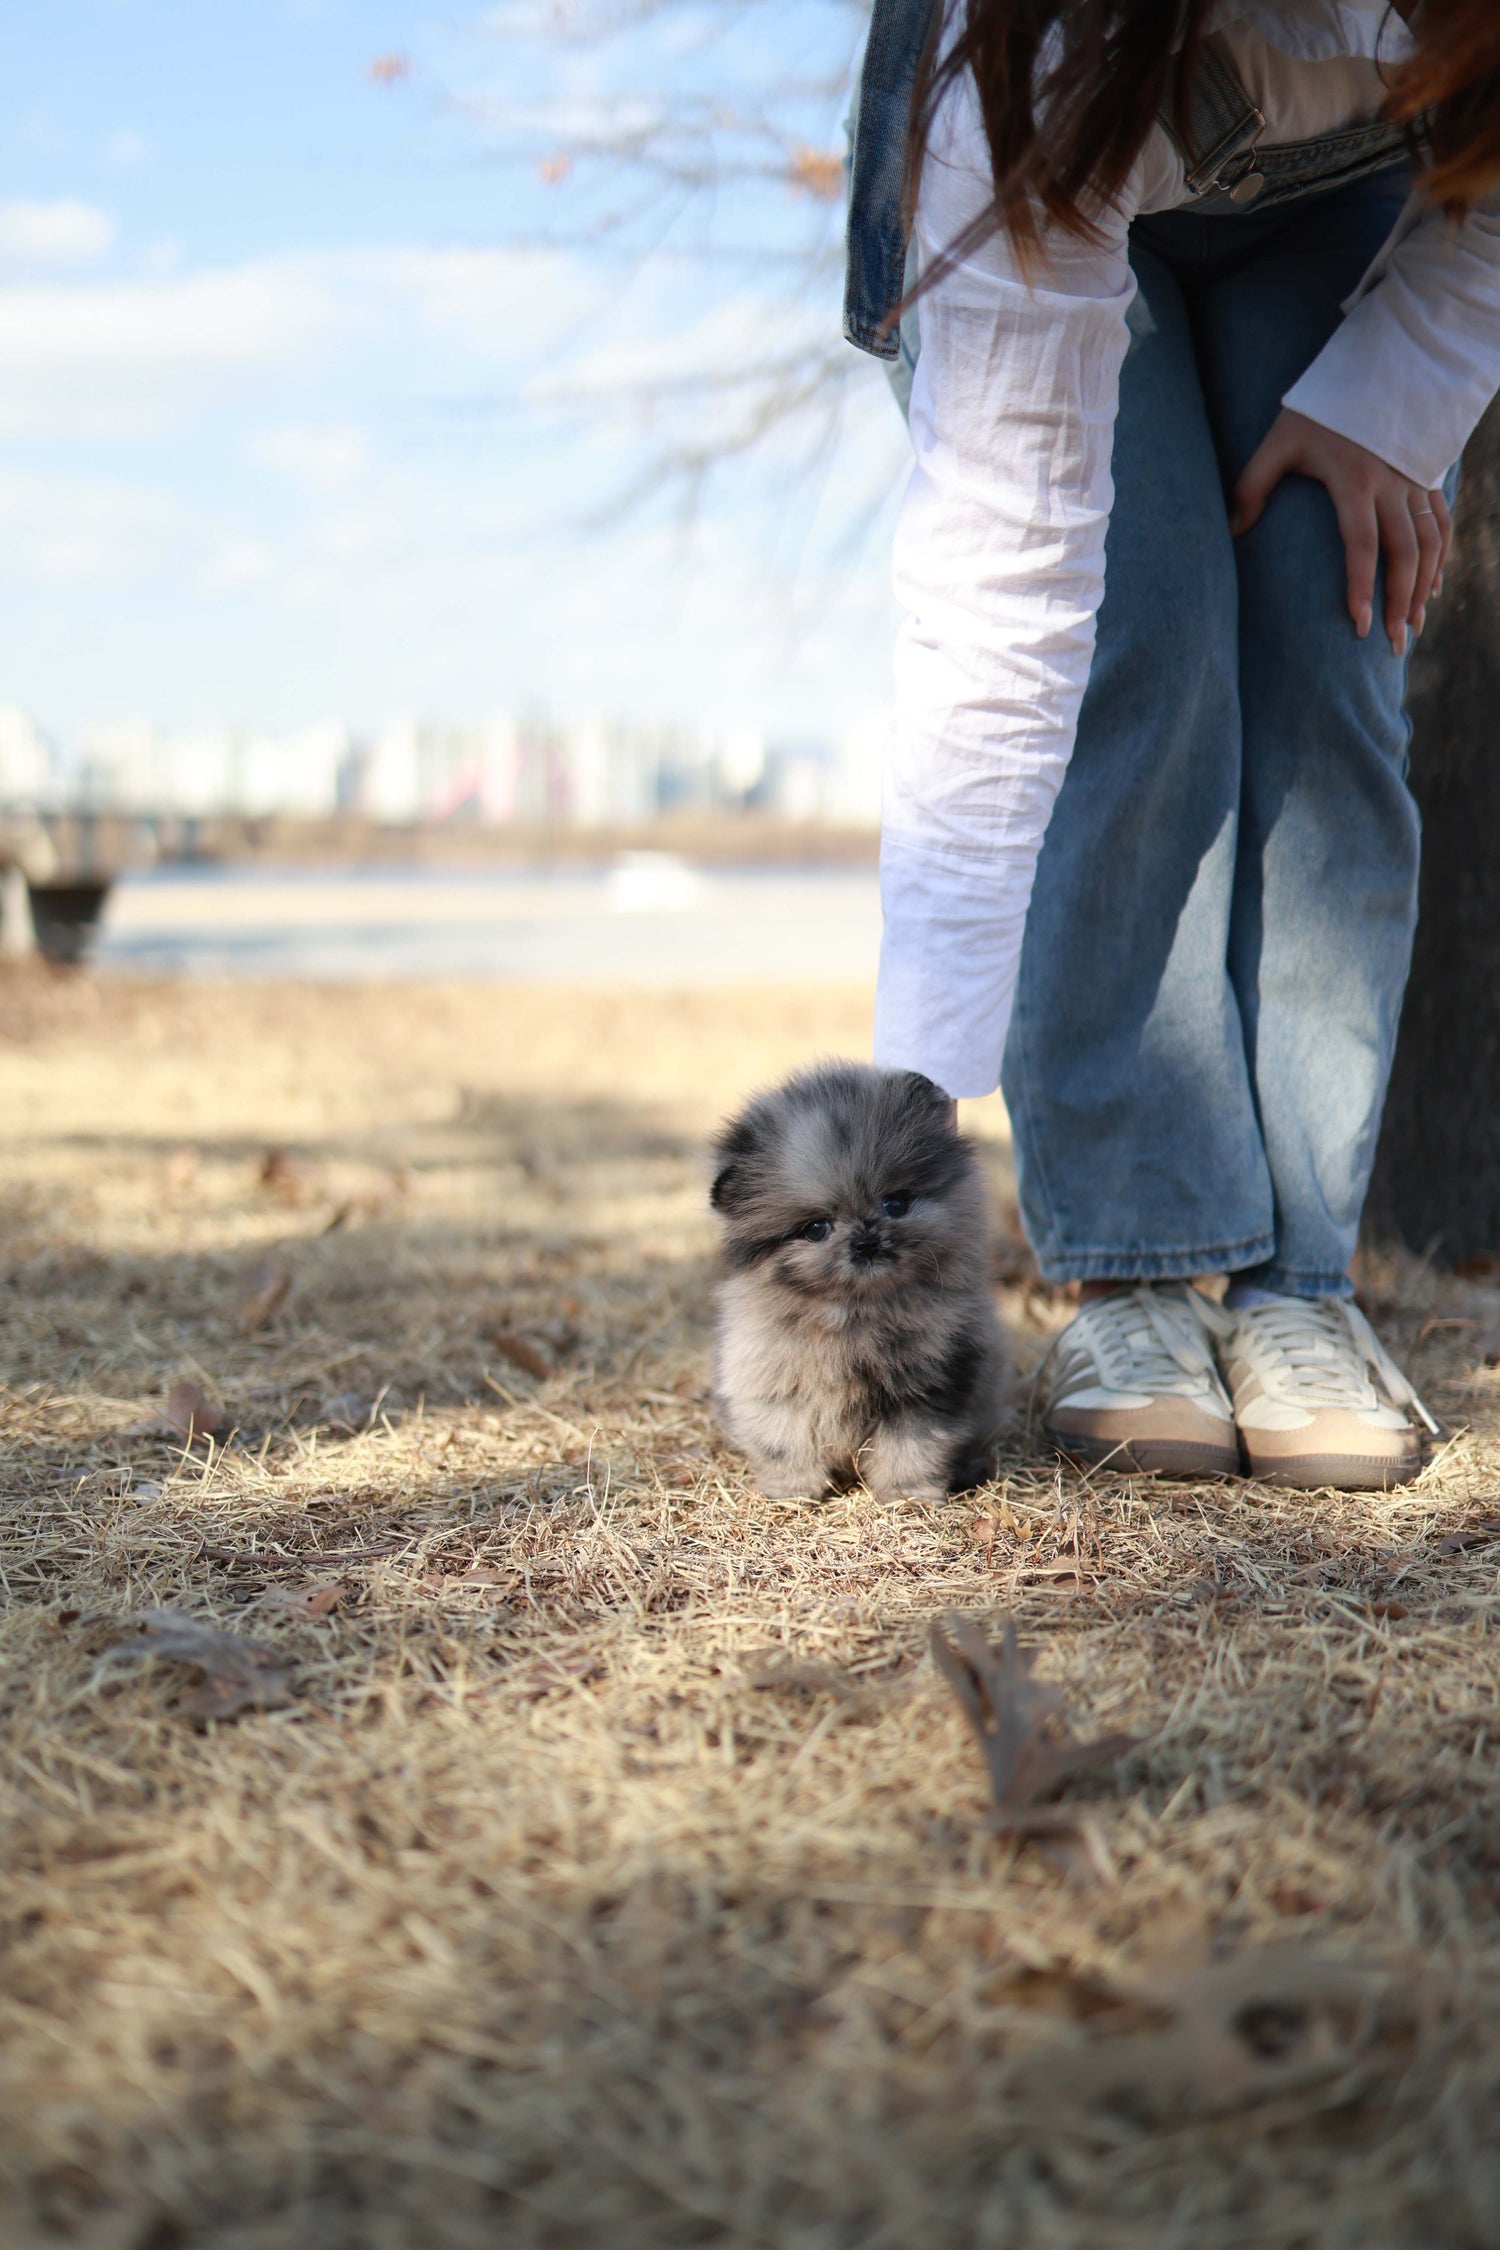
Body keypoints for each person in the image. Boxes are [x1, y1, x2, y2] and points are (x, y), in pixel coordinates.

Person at [843, 0, 1500, 1491]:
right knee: (1138, 647)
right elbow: (1009, 613)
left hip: (1352, 184)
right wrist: (901, 1145)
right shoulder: (1019, 64)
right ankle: (1135, 1269)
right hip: (1067, 127)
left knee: (1332, 627)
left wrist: (1394, 402)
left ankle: (1299, 1291)